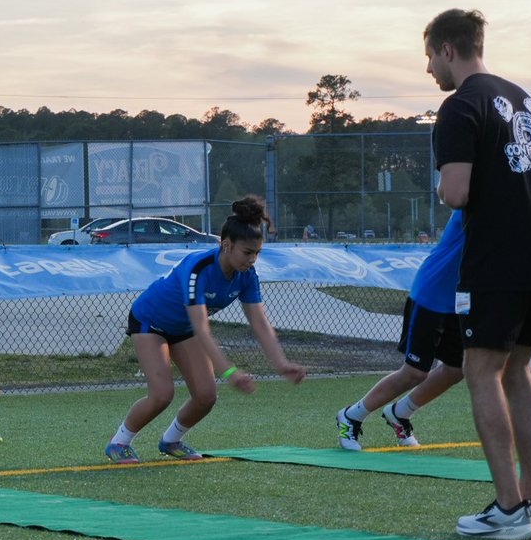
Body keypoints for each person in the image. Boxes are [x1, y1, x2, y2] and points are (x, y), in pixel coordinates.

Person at [427, 8, 531, 540]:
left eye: (430, 57)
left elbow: (456, 193)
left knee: (482, 372)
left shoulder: (459, 107)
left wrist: (442, 187)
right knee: (518, 370)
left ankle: (507, 511)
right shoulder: (526, 100)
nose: (430, 70)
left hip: (498, 261)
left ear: (448, 50)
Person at [104, 196, 305, 464]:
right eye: (247, 252)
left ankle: (171, 440)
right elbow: (201, 327)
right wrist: (230, 372)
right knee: (162, 394)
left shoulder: (247, 276)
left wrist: (282, 363)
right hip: (149, 322)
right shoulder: (198, 269)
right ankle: (119, 442)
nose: (253, 260)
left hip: (183, 328)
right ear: (226, 245)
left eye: (257, 253)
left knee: (206, 396)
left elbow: (260, 323)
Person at [336, 210, 466, 450]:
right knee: (416, 372)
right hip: (432, 294)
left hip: (461, 300)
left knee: (457, 369)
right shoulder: (474, 201)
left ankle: (400, 412)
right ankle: (351, 416)